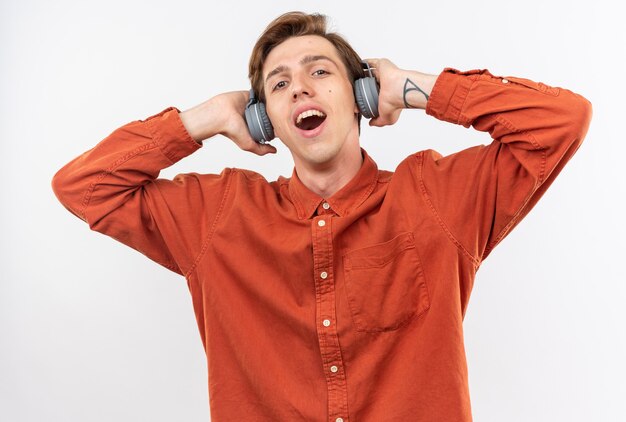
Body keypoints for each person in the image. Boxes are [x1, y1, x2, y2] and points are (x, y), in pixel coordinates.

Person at [52, 11, 592, 422]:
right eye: (279, 84)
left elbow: (562, 121)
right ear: (265, 122)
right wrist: (206, 118)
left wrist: (415, 87)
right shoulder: (218, 215)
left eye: (320, 71)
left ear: (359, 94)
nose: (301, 88)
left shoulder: (436, 196)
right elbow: (84, 187)